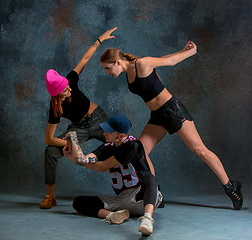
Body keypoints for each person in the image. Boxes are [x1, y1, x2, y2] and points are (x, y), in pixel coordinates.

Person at [99, 41, 243, 210]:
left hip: (173, 111)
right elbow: (161, 59)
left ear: (117, 62)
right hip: (158, 115)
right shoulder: (129, 73)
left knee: (200, 150)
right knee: (141, 152)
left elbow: (171, 61)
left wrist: (191, 52)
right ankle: (153, 193)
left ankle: (231, 187)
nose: (107, 72)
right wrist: (182, 49)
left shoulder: (142, 63)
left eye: (107, 68)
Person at [39, 27, 117, 209]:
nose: (70, 89)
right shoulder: (55, 108)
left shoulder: (70, 81)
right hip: (79, 128)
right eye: (66, 89)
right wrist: (70, 143)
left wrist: (99, 40)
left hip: (97, 119)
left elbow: (85, 59)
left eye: (69, 86)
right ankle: (50, 195)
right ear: (57, 94)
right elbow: (48, 139)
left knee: (124, 144)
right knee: (50, 152)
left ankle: (139, 187)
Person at [63, 114, 163, 236]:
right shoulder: (107, 147)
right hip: (123, 200)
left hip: (142, 197)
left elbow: (101, 167)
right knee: (79, 202)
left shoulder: (133, 145)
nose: (104, 133)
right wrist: (73, 149)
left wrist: (75, 156)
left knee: (150, 179)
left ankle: (147, 219)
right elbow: (83, 159)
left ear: (121, 135)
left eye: (109, 132)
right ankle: (112, 216)